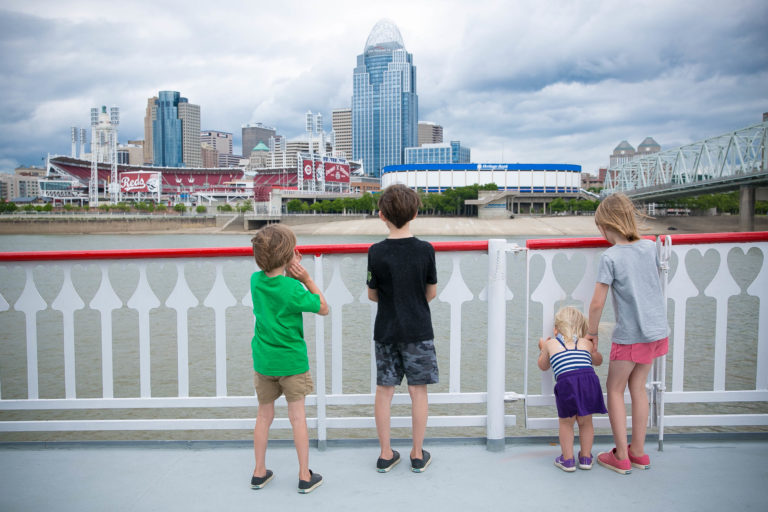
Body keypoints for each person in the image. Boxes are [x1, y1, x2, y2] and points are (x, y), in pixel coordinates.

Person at [587, 193, 669, 475]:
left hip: (630, 336)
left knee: (614, 389)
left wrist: (592, 333)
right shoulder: (649, 247)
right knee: (639, 388)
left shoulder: (609, 257)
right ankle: (639, 452)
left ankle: (620, 455)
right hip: (655, 332)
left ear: (606, 225)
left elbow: (597, 302)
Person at [249, 224, 329, 493]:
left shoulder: (255, 281)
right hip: (292, 364)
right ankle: (304, 475)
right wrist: (304, 278)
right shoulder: (294, 290)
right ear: (288, 257)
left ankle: (259, 472)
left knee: (263, 417)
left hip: (264, 361)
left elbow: (275, 287)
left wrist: (285, 266)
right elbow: (323, 307)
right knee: (298, 419)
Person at [366, 184, 439, 473]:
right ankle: (418, 453)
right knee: (417, 392)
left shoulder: (376, 252)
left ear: (381, 215)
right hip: (418, 330)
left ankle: (386, 453)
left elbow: (373, 294)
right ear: (416, 213)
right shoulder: (425, 250)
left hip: (386, 330)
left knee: (384, 391)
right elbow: (430, 292)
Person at [538, 306, 606, 472]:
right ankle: (585, 457)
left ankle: (567, 460)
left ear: (556, 329)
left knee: (566, 423)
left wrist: (543, 348)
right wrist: (593, 350)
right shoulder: (584, 343)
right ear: (582, 328)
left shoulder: (551, 344)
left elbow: (543, 366)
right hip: (588, 380)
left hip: (566, 383)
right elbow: (598, 361)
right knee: (585, 422)